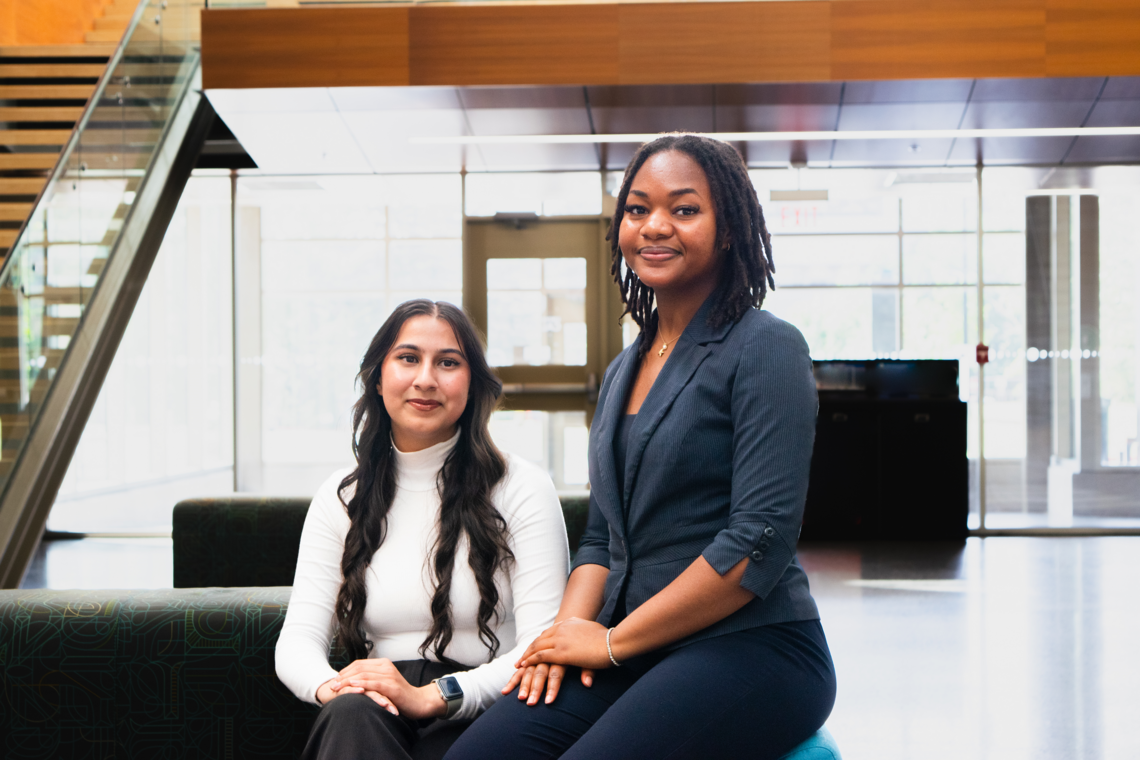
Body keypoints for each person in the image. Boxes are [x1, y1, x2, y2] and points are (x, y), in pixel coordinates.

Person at [445, 135, 836, 760]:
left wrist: (607, 644)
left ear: (729, 228)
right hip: (633, 640)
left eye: (684, 210)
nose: (655, 226)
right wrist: (565, 632)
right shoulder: (625, 365)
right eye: (637, 209)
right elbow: (602, 539)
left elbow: (754, 544)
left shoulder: (766, 346)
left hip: (753, 643)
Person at [276, 299, 570, 760]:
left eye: (448, 363)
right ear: (378, 376)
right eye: (408, 358)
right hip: (374, 708)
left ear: (472, 384)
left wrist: (435, 696)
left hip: (482, 707)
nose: (426, 379)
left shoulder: (522, 488)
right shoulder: (340, 496)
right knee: (350, 717)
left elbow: (541, 645)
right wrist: (335, 687)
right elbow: (297, 640)